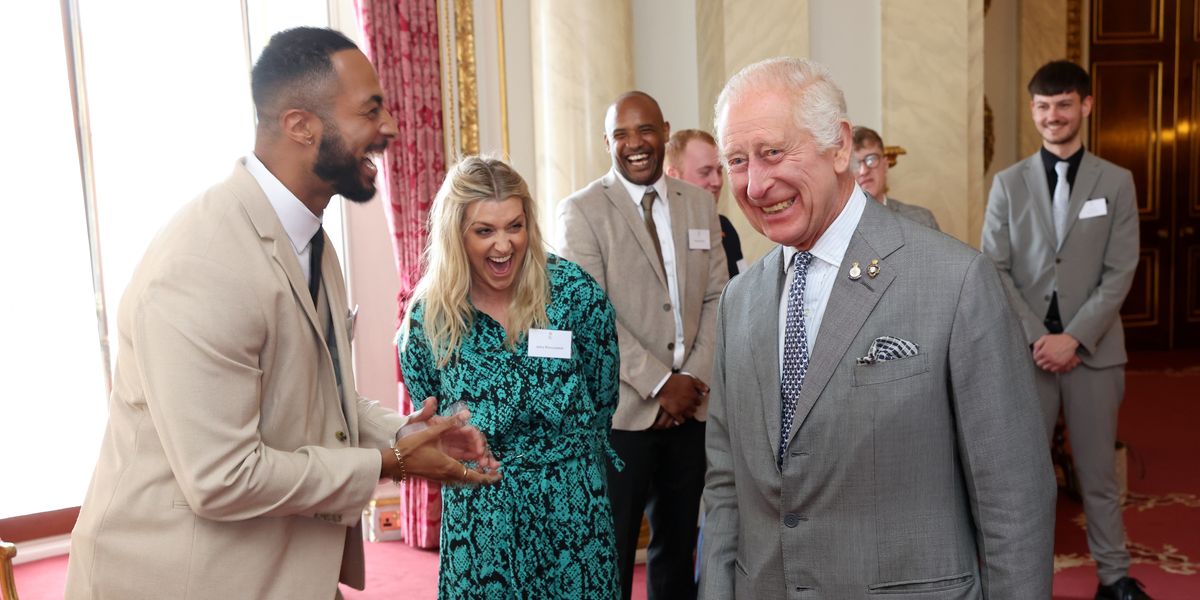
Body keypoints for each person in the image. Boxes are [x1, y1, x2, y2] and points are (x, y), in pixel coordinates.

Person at [65, 27, 498, 600]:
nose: (390, 127)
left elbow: (313, 395)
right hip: (184, 578)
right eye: (371, 110)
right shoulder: (203, 263)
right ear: (301, 125)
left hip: (281, 566)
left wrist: (410, 432)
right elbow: (222, 479)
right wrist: (389, 463)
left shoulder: (311, 236)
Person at [701, 56, 1056, 598]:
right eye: (737, 161)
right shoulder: (738, 302)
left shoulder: (957, 281)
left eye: (773, 152)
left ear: (840, 146)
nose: (754, 184)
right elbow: (727, 485)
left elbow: (1015, 497)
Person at [398, 156, 621, 598]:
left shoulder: (575, 295)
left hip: (571, 512)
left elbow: (603, 396)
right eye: (485, 231)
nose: (503, 245)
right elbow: (428, 418)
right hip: (481, 518)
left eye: (514, 226)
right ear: (456, 234)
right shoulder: (429, 319)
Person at [982, 60, 1146, 600]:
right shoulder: (1007, 184)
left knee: (1098, 477)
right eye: (1043, 107)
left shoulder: (1116, 182)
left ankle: (1114, 577)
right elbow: (994, 267)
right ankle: (1024, 584)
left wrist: (1074, 338)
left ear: (1086, 106)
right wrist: (1038, 336)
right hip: (1028, 355)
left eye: (1064, 104)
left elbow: (1121, 269)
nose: (1053, 116)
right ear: (1033, 112)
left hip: (1094, 353)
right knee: (1026, 481)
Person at [558, 91, 728, 600]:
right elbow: (592, 316)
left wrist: (690, 381)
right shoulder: (582, 211)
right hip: (622, 416)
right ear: (607, 142)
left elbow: (720, 295)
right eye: (622, 134)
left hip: (691, 411)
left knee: (678, 551)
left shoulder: (698, 204)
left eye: (645, 130)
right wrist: (659, 384)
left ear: (665, 132)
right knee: (610, 556)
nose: (636, 144)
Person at [665, 129, 746, 277]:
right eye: (705, 172)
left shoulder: (724, 227)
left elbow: (743, 284)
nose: (717, 182)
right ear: (673, 176)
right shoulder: (660, 235)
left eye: (719, 171)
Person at [851, 126, 940, 230]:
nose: (863, 171)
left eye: (871, 159)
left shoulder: (922, 220)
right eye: (854, 164)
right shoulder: (839, 227)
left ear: (885, 164)